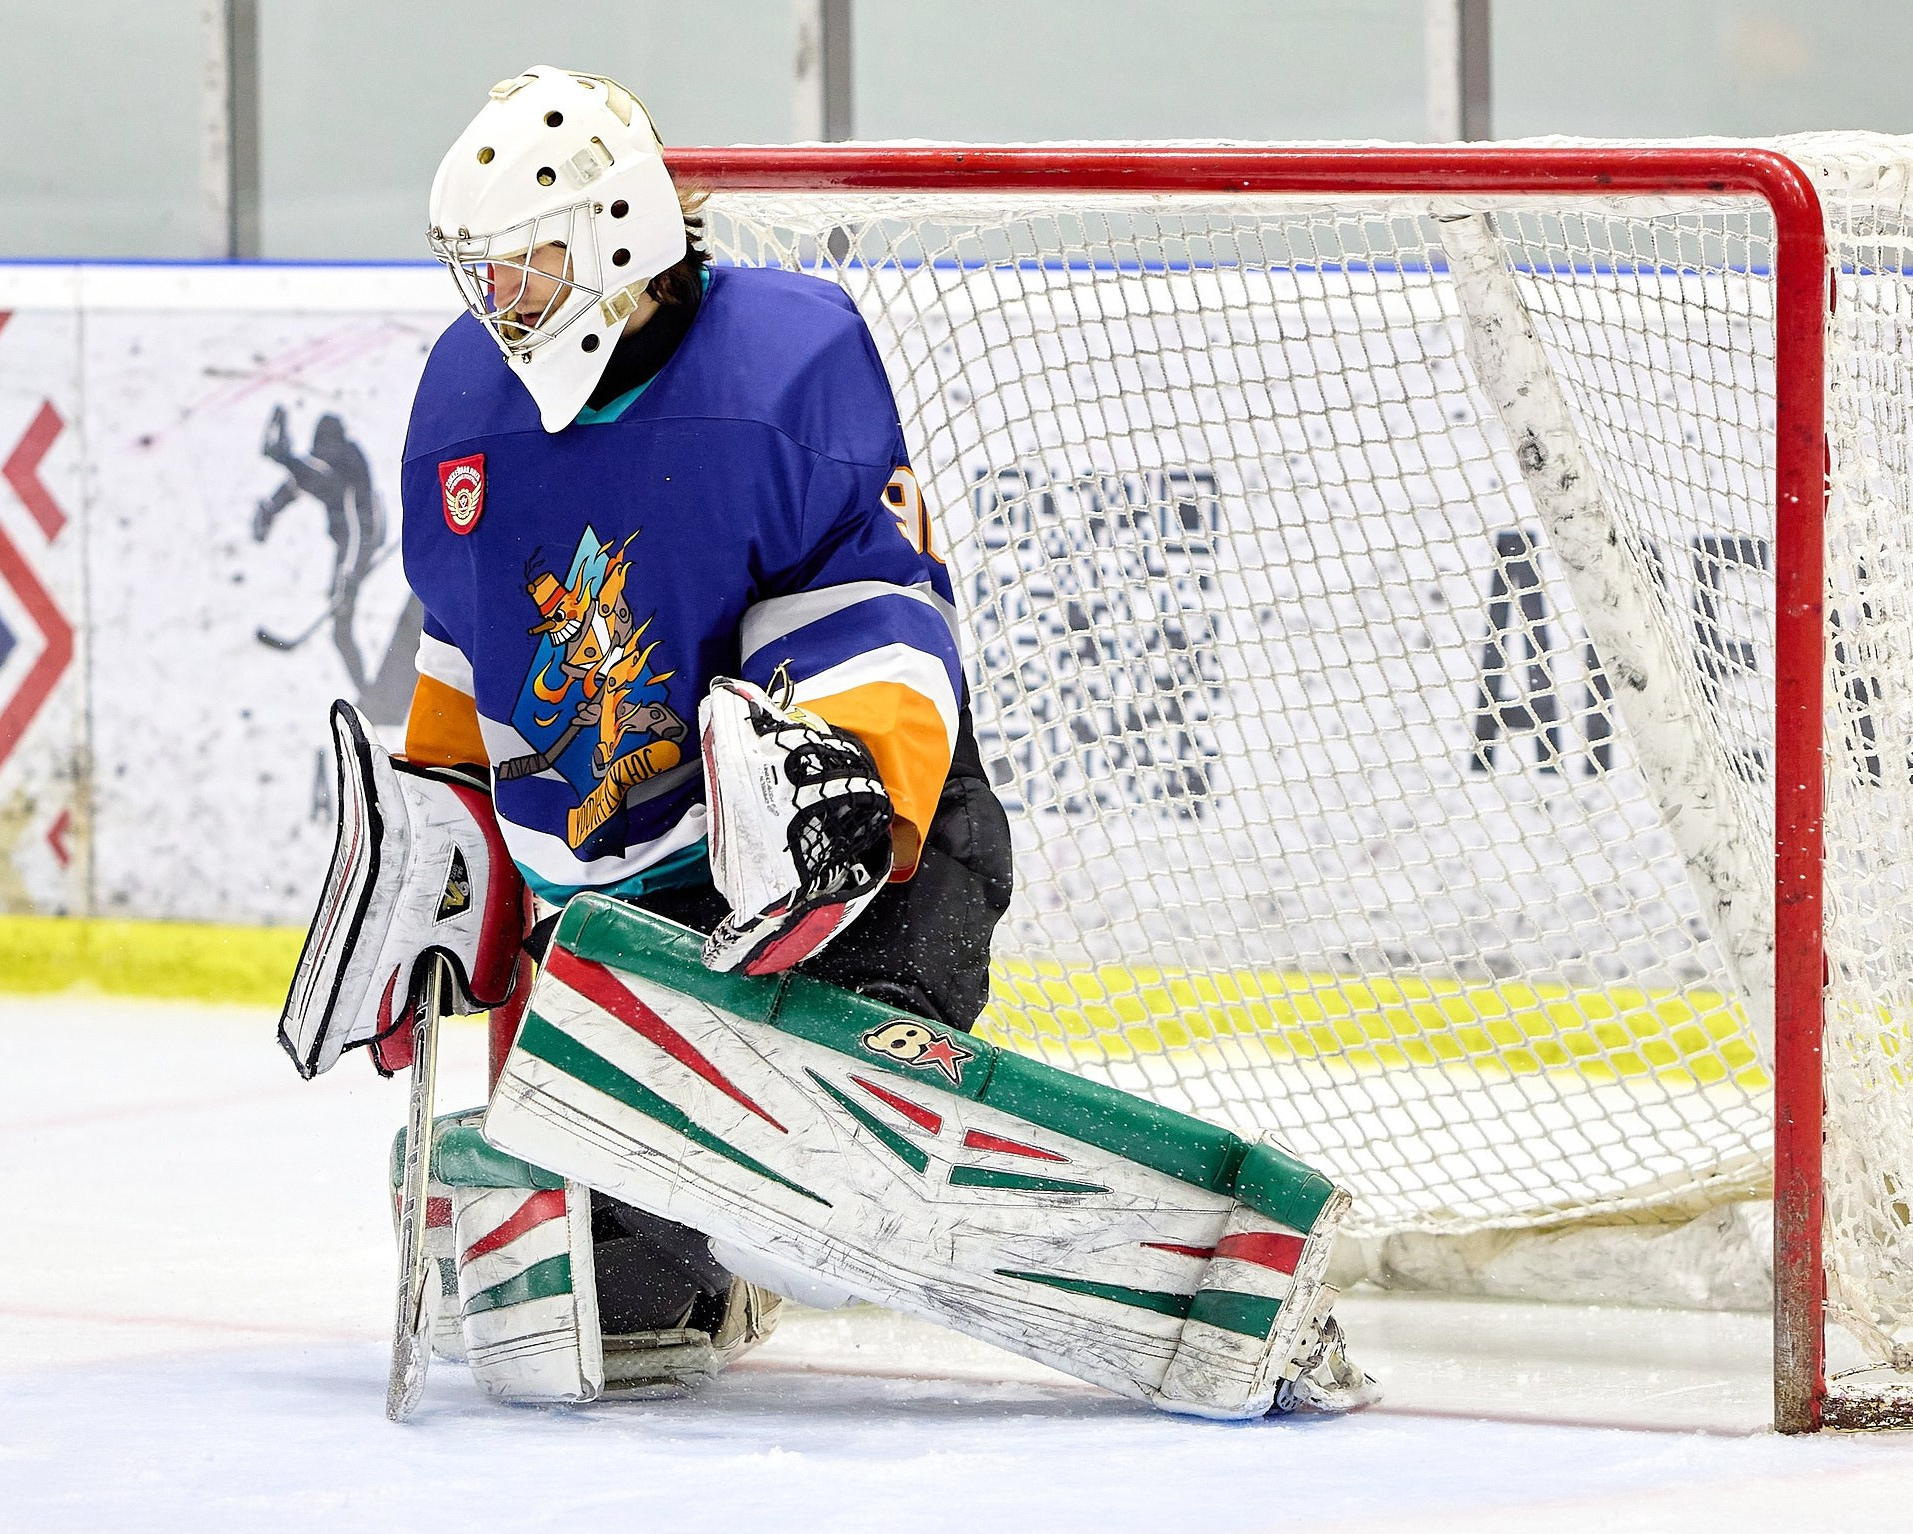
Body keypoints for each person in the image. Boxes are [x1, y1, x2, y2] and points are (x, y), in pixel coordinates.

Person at [278, 66, 1373, 1419]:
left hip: (864, 860)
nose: (496, 300)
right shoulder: (463, 404)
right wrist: (439, 858)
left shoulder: (785, 361)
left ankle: (1078, 1235)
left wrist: (832, 798)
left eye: (527, 263)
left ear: (618, 240)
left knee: (804, 1168)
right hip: (629, 920)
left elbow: (874, 618)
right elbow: (466, 651)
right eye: (480, 270)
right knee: (598, 1284)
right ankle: (689, 1258)